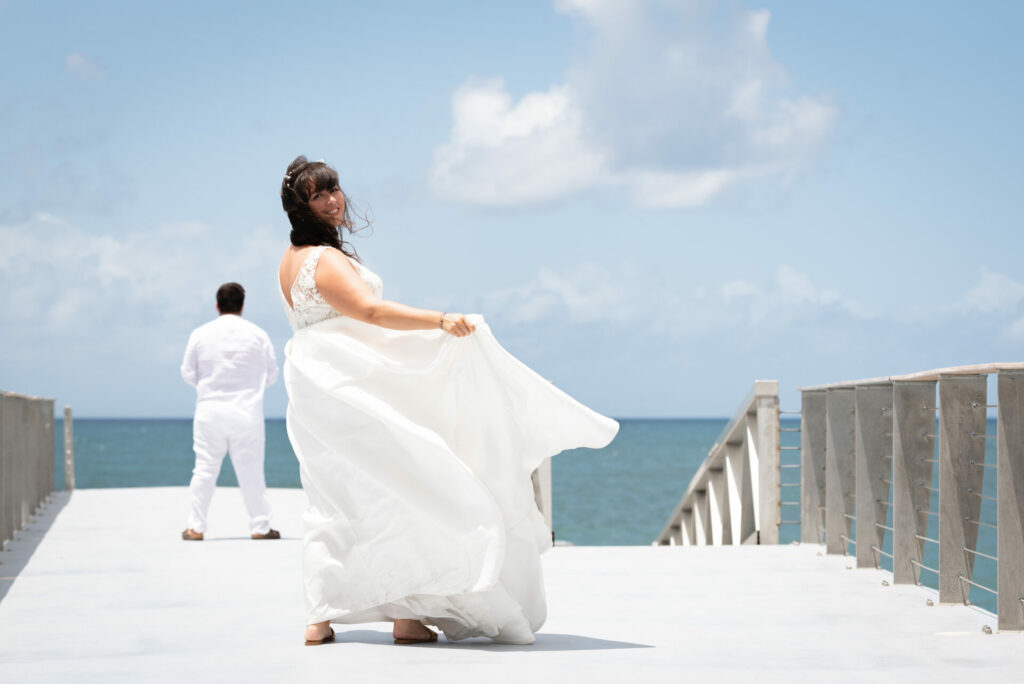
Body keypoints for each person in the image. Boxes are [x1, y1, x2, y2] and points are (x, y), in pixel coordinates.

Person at [278, 156, 618, 647]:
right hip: (345, 382)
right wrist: (438, 321)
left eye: (334, 189)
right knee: (403, 488)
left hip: (316, 379)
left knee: (339, 495)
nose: (333, 200)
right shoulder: (324, 260)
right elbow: (369, 311)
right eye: (319, 194)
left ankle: (339, 615)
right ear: (301, 206)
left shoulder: (288, 259)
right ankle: (399, 612)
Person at [180, 282, 280, 541]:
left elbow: (188, 373)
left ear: (217, 305)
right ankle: (260, 527)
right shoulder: (258, 335)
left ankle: (196, 527)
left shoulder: (200, 334)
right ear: (242, 305)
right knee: (252, 472)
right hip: (247, 414)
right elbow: (272, 375)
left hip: (209, 412)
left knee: (204, 470)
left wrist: (209, 386)